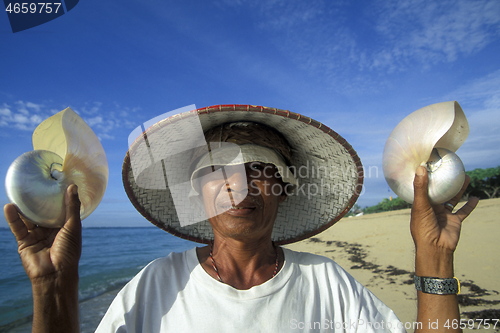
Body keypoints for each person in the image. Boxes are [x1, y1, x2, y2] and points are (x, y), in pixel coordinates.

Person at [5, 105, 478, 332]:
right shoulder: (156, 285)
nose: (240, 186)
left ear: (285, 187)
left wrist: (434, 259)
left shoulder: (328, 284)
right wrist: (54, 287)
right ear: (197, 190)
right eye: (218, 171)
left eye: (262, 170)